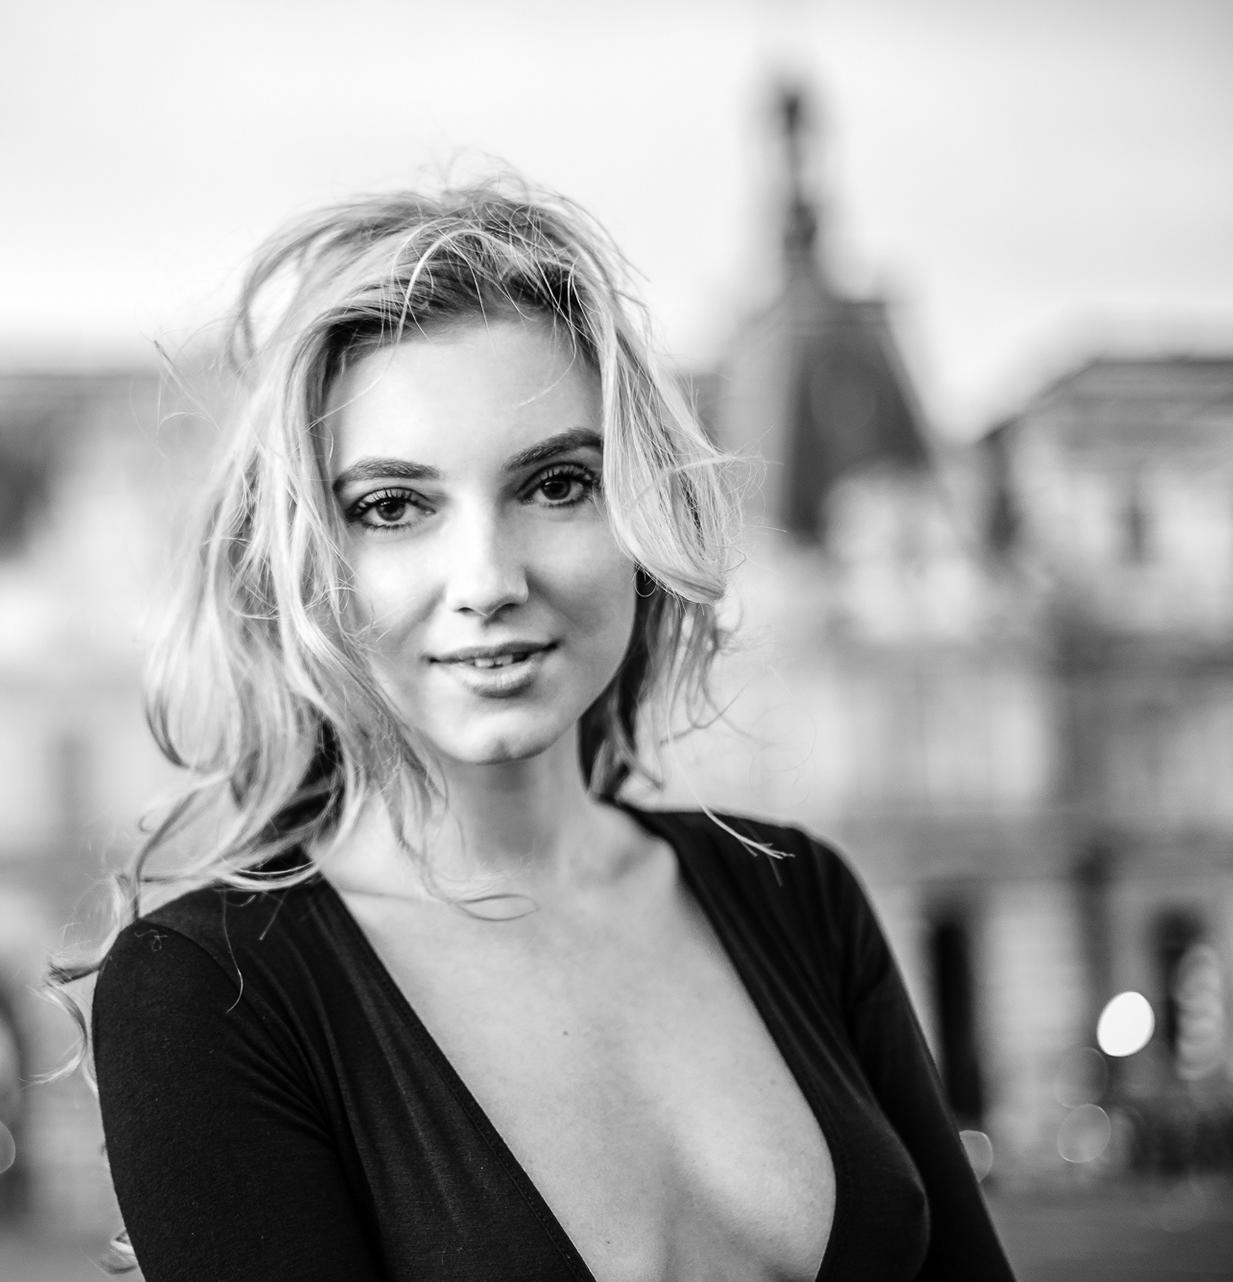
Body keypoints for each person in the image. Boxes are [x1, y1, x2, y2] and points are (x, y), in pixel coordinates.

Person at [52, 177, 1016, 1281]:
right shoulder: (207, 996)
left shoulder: (804, 900)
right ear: (301, 562)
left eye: (557, 485)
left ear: (644, 514)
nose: (489, 580)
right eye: (393, 506)